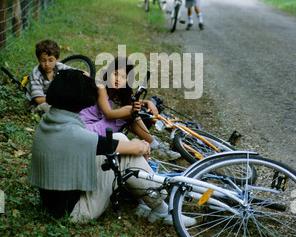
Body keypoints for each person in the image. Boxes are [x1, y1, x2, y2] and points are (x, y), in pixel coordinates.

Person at [29, 69, 195, 226]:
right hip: (75, 211)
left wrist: (135, 146)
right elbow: (134, 150)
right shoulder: (74, 134)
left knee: (119, 138)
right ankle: (162, 210)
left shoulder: (51, 120)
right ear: (78, 98)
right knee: (127, 153)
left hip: (54, 200)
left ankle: (145, 200)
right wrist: (143, 146)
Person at [79, 57, 180, 161]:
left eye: (123, 77)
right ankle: (155, 146)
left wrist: (148, 102)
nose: (118, 79)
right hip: (86, 129)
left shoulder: (116, 92)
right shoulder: (101, 87)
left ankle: (155, 145)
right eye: (115, 74)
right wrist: (129, 110)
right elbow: (108, 114)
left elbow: (133, 103)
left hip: (96, 126)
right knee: (126, 115)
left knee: (129, 115)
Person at [27, 39, 73, 115]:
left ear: (57, 59)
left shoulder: (59, 66)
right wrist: (59, 98)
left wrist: (84, 74)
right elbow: (38, 99)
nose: (47, 64)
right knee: (48, 108)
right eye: (43, 60)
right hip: (39, 103)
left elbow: (75, 73)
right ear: (38, 60)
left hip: (55, 99)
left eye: (50, 60)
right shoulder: (36, 74)